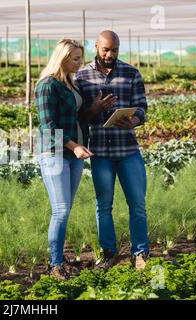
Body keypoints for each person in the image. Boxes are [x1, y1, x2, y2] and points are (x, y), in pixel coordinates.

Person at [35, 38, 117, 280]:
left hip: (74, 155)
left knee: (65, 209)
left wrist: (98, 108)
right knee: (60, 209)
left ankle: (59, 259)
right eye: (76, 59)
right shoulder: (47, 85)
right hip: (56, 155)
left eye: (81, 58)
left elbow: (80, 117)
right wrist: (75, 146)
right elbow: (48, 127)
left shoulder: (71, 84)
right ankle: (55, 264)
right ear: (63, 58)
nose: (80, 63)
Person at [75, 30, 149, 271]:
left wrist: (134, 120)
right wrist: (95, 108)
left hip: (128, 150)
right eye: (105, 49)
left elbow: (142, 109)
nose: (110, 54)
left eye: (114, 50)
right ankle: (109, 254)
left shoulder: (131, 73)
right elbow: (81, 116)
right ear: (96, 46)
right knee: (103, 205)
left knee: (137, 203)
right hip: (100, 153)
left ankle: (141, 253)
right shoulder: (82, 76)